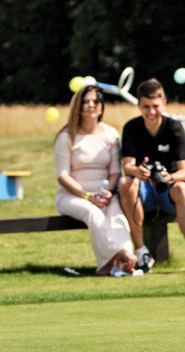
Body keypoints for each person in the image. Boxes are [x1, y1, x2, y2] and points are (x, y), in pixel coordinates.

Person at [118, 78, 185, 274]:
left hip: (170, 188)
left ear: (164, 104)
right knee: (126, 183)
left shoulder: (174, 127)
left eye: (155, 106)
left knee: (182, 188)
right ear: (138, 106)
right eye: (146, 107)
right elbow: (127, 166)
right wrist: (139, 171)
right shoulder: (131, 128)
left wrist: (169, 177)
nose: (151, 112)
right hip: (144, 190)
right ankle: (141, 251)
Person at [54, 84, 138, 276]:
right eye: (86, 101)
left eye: (95, 101)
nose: (91, 105)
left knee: (117, 215)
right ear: (78, 106)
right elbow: (62, 176)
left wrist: (108, 192)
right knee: (94, 214)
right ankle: (122, 255)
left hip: (104, 193)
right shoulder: (66, 136)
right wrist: (87, 195)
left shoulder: (110, 134)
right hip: (72, 196)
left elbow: (115, 172)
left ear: (101, 106)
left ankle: (123, 264)